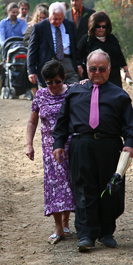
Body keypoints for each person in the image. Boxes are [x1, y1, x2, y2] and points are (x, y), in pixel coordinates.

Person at [52, 49, 133, 252]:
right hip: (81, 146)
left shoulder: (120, 95)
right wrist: (58, 144)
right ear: (86, 69)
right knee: (83, 188)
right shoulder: (74, 92)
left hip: (110, 147)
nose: (97, 72)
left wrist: (129, 143)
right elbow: (62, 123)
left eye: (102, 69)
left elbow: (130, 126)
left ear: (109, 70)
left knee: (110, 189)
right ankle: (85, 234)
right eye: (93, 69)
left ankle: (106, 232)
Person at [25, 60, 75, 244]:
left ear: (63, 79)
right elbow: (32, 122)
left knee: (68, 185)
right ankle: (58, 228)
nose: (53, 85)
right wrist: (28, 145)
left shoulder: (72, 92)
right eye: (49, 82)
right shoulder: (40, 95)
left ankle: (66, 222)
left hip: (71, 146)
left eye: (57, 81)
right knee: (54, 188)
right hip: (49, 150)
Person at [27, 2, 82, 87]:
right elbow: (32, 51)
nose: (58, 21)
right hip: (47, 65)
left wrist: (78, 64)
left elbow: (75, 47)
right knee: (48, 95)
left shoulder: (69, 25)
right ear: (50, 14)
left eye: (60, 19)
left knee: (74, 91)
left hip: (67, 64)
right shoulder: (39, 27)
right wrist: (31, 71)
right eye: (55, 19)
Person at [78, 11, 132, 88]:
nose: (101, 29)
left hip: (114, 78)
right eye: (98, 26)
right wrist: (80, 69)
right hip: (95, 79)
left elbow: (119, 55)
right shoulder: (87, 40)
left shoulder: (112, 38)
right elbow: (77, 56)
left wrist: (126, 71)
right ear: (93, 26)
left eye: (104, 26)